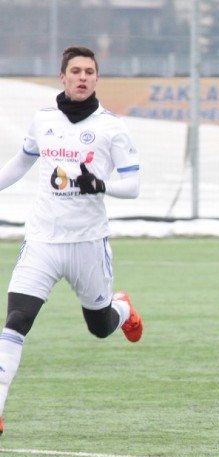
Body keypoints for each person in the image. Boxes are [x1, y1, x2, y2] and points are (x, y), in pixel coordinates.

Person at [0, 46, 143, 437]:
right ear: (62, 77)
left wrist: (101, 184)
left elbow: (133, 185)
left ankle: (122, 308)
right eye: (75, 71)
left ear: (97, 79)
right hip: (43, 239)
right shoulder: (43, 120)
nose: (82, 77)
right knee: (17, 320)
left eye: (89, 72)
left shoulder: (112, 127)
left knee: (99, 327)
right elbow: (21, 162)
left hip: (87, 243)